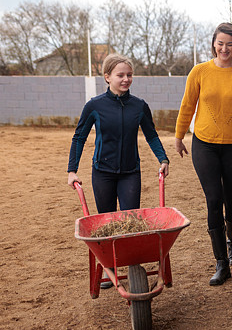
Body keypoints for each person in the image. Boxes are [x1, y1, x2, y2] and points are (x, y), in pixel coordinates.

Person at [174, 22, 232, 286]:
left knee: (231, 199)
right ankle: (221, 263)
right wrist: (179, 136)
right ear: (213, 43)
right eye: (220, 43)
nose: (224, 48)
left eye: (229, 44)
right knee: (214, 199)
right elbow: (187, 105)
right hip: (204, 144)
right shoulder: (199, 72)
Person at [67, 54, 170, 287]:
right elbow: (79, 137)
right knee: (106, 220)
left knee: (129, 221)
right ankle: (109, 267)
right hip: (102, 171)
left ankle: (133, 267)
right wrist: (71, 170)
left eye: (129, 75)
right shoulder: (94, 106)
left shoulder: (139, 106)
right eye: (120, 75)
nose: (126, 79)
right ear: (107, 77)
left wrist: (163, 158)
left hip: (130, 171)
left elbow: (151, 134)